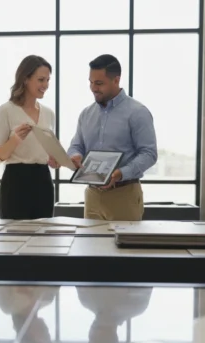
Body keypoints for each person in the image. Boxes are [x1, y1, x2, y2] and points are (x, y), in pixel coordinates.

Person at [67, 54, 158, 221]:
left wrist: (121, 173)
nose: (93, 88)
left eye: (99, 83)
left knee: (124, 240)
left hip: (124, 195)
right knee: (89, 239)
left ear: (116, 80)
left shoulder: (138, 113)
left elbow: (149, 154)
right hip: (92, 196)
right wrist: (75, 155)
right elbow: (76, 146)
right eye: (90, 82)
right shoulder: (86, 114)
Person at [0, 55, 60, 220]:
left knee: (44, 234)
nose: (45, 85)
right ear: (25, 79)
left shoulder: (49, 114)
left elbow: (50, 153)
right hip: (15, 182)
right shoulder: (6, 111)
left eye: (48, 80)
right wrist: (15, 139)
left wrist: (55, 160)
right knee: (14, 234)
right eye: (41, 80)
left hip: (43, 182)